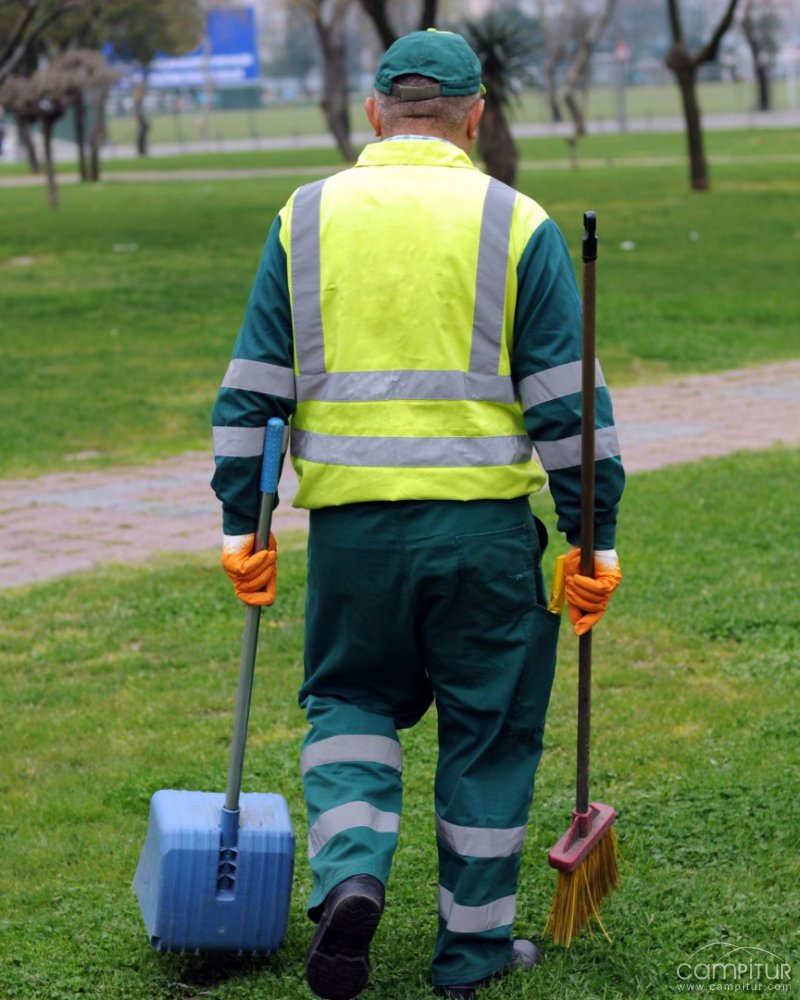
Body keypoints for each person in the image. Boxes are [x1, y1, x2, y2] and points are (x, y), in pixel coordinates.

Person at [211, 28, 624, 1000]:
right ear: (475, 116)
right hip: (482, 537)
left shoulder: (306, 217)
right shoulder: (515, 221)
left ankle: (352, 874)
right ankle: (470, 953)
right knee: (488, 730)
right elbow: (568, 407)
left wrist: (241, 529)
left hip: (352, 537)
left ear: (374, 113)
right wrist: (591, 538)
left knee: (350, 704)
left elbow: (253, 390)